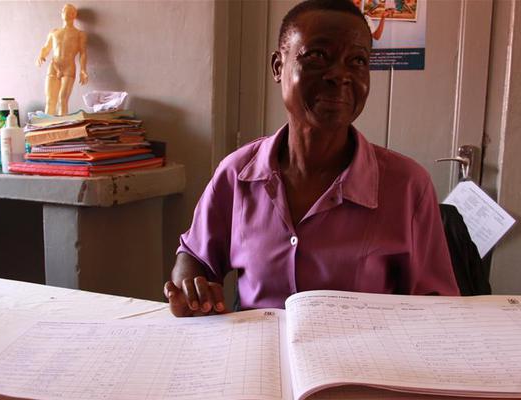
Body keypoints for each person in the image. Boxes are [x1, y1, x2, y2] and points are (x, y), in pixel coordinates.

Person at [164, 0, 459, 317]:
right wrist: (191, 289)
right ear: (278, 67)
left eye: (357, 61)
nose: (339, 75)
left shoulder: (407, 186)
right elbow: (194, 256)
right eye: (317, 56)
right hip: (258, 347)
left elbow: (437, 307)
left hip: (364, 348)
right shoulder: (238, 174)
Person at [36, 3, 88, 116]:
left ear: (74, 15)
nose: (67, 14)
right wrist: (41, 55)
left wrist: (83, 70)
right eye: (65, 11)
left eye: (70, 12)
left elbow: (83, 53)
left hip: (69, 67)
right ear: (61, 14)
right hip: (54, 65)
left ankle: (62, 124)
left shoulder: (79, 34)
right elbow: (46, 47)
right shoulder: (54, 32)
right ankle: (47, 125)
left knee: (62, 99)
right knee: (50, 100)